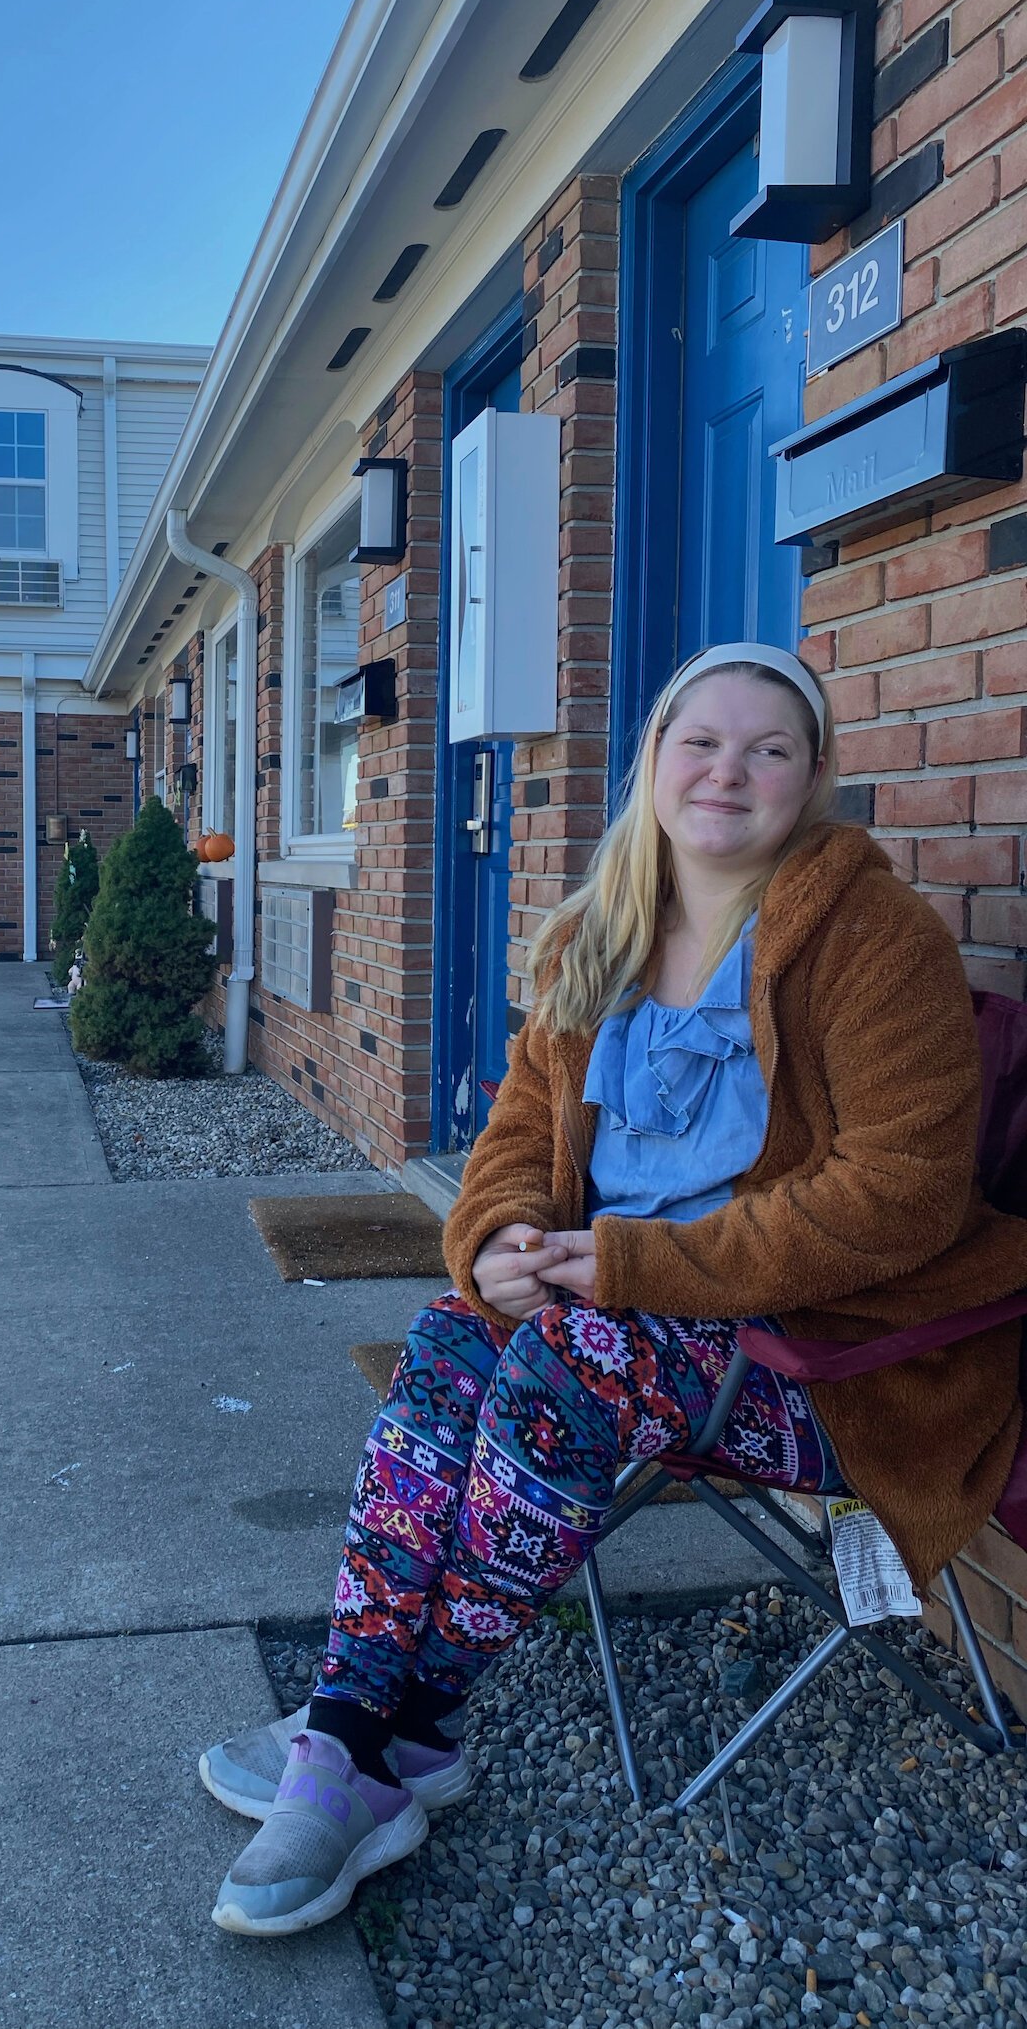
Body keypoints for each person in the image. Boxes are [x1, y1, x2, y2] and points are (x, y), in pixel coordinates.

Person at [200, 641, 1027, 1939]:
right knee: (456, 1333)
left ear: (811, 777)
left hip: (834, 1364)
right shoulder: (602, 934)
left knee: (566, 1364)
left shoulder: (874, 936)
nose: (730, 770)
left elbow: (899, 1193)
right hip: (621, 1327)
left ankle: (397, 1735)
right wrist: (503, 1241)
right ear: (652, 759)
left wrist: (630, 1265)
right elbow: (516, 1142)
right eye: (701, 740)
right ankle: (358, 1731)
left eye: (770, 747)